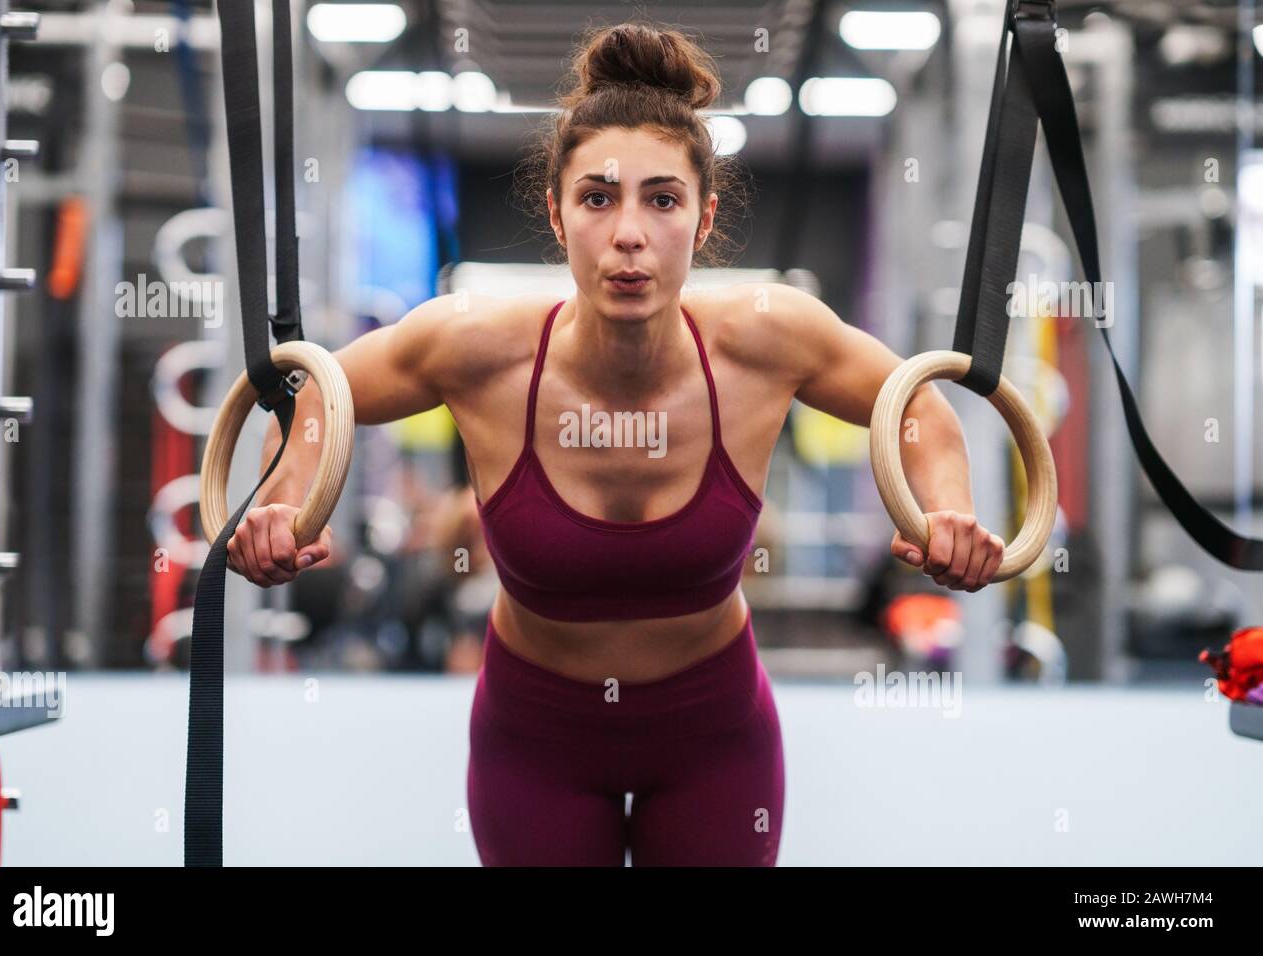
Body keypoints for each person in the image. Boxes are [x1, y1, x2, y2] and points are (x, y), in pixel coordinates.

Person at [225, 22, 1005, 866]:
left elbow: (918, 406)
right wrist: (284, 506)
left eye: (661, 200)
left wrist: (948, 512)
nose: (629, 233)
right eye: (598, 198)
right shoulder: (474, 345)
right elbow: (316, 400)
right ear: (558, 216)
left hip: (713, 735)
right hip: (537, 739)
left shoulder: (768, 338)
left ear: (703, 221)